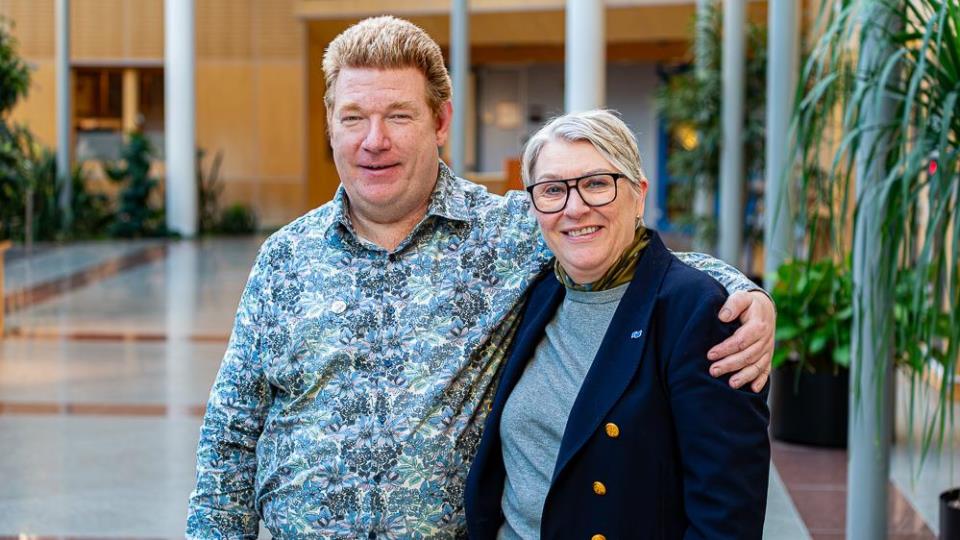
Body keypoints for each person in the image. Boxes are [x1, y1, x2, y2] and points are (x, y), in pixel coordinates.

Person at [186, 16, 775, 538]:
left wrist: (743, 294)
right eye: (353, 118)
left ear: (440, 121)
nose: (374, 141)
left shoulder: (507, 231)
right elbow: (231, 432)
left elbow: (614, 238)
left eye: (398, 115)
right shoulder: (285, 257)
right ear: (331, 125)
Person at [464, 110, 770, 540]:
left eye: (596, 183)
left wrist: (757, 295)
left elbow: (726, 516)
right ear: (533, 206)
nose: (575, 208)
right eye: (553, 190)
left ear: (638, 195)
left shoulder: (697, 312)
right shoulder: (536, 292)